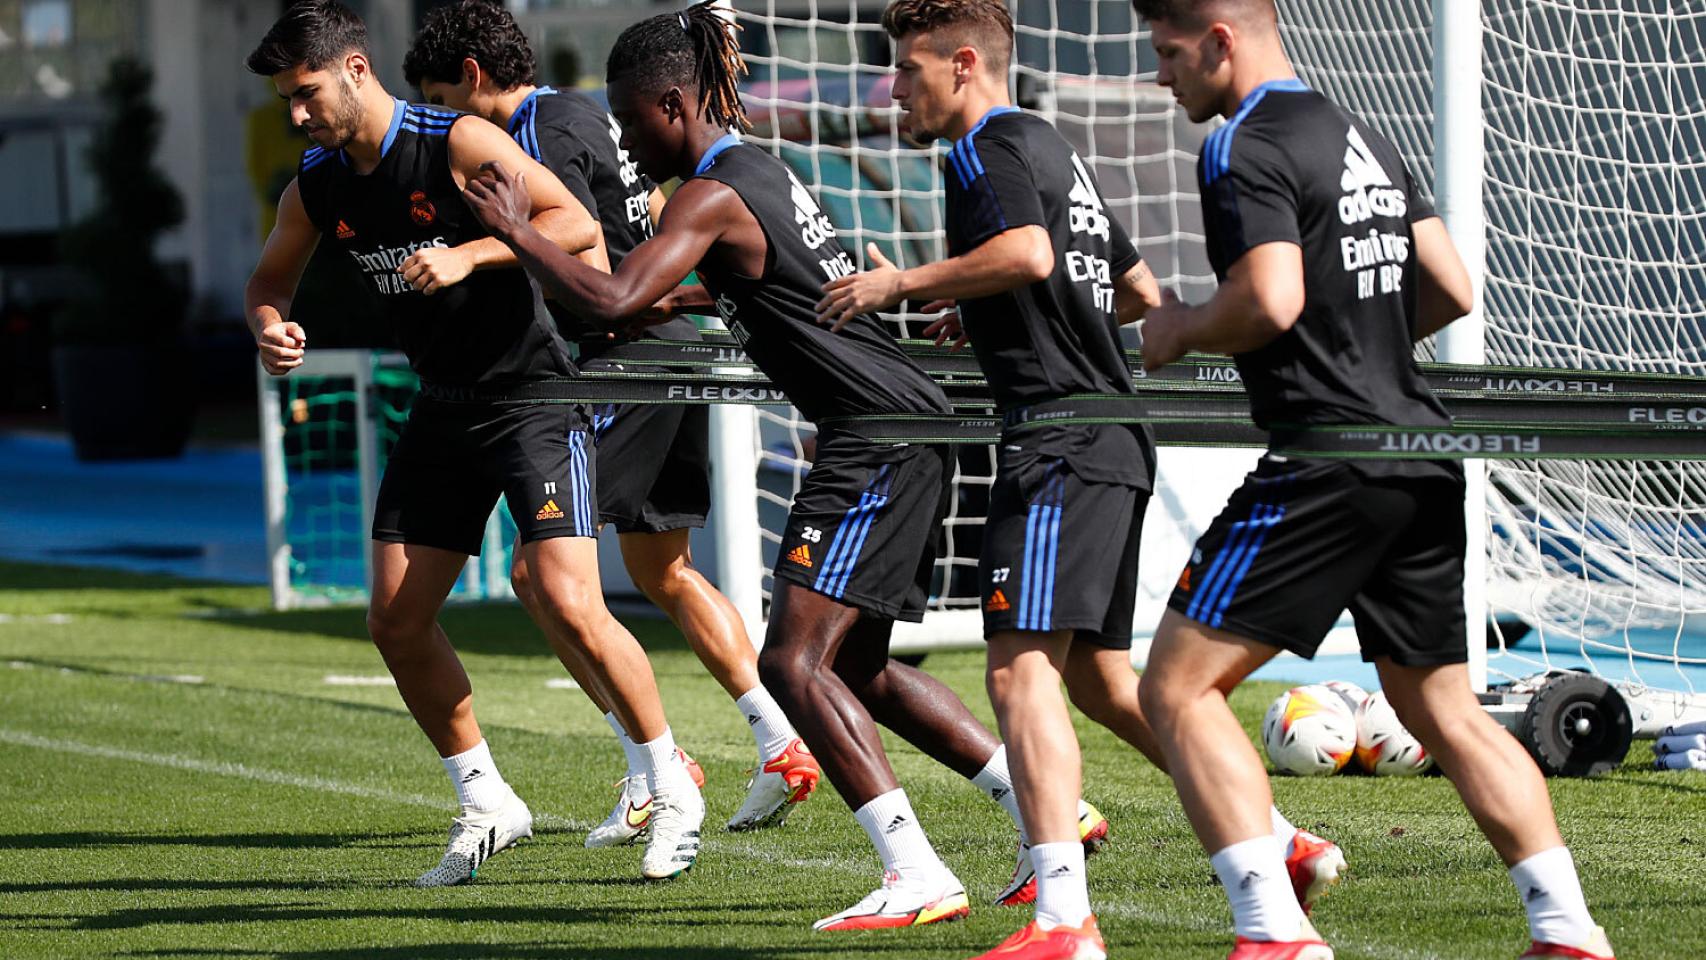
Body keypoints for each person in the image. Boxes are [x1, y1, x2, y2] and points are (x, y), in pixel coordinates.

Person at [460, 0, 1102, 931]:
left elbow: (610, 296)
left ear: (673, 104)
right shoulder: (757, 174)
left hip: (874, 434)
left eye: (632, 119)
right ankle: (1046, 810)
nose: (626, 142)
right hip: (902, 427)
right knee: (864, 671)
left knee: (793, 662)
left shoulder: (709, 192)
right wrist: (668, 298)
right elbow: (725, 286)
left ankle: (915, 870)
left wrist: (518, 230)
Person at [818, 2, 1341, 955]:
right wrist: (980, 309)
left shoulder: (983, 153)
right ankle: (1276, 840)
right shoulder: (1048, 146)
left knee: (1020, 674)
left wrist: (906, 283)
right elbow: (1133, 290)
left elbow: (1028, 254)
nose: (893, 89)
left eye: (905, 69)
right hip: (1109, 439)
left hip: (1060, 445)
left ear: (962, 65)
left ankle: (1064, 918)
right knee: (1102, 682)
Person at [1129, 2, 1614, 958]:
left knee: (1175, 690)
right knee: (1446, 710)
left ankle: (1274, 932)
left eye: (1167, 52)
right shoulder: (1361, 133)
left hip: (1327, 460)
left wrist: (1180, 328)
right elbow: (1450, 285)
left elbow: (1269, 296)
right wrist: (1366, 349)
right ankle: (1570, 932)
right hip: (1419, 454)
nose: (1159, 75)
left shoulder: (1240, 141)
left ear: (1220, 41)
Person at [242, 0, 705, 886]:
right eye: (284, 103)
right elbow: (270, 278)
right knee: (395, 618)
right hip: (443, 408)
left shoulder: (454, 142)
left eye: (305, 95)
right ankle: (488, 800)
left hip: (533, 398)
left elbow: (578, 228)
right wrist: (271, 326)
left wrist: (472, 254)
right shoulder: (318, 182)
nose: (298, 116)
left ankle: (670, 784)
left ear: (354, 70)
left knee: (570, 601)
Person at [403, 0, 818, 841]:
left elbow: (579, 244)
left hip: (623, 356)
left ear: (474, 81)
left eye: (442, 100)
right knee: (663, 569)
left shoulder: (536, 136)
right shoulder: (583, 114)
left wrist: (477, 254)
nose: (440, 125)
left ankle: (651, 765)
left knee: (539, 577)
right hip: (671, 350)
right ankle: (779, 742)